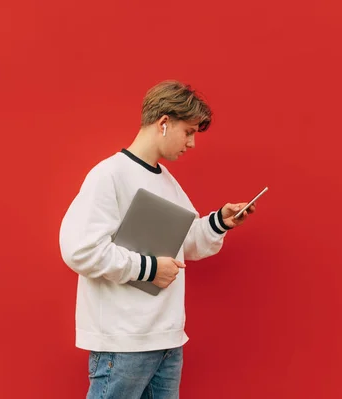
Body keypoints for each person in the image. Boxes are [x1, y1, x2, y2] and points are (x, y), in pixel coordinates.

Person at [58, 80, 257, 398]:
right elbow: (79, 249)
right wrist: (150, 269)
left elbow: (186, 242)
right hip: (123, 344)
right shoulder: (109, 175)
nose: (191, 143)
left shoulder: (167, 181)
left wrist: (221, 222)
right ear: (164, 123)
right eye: (189, 132)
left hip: (167, 340)